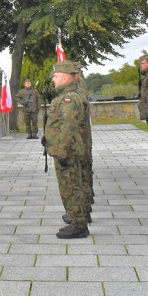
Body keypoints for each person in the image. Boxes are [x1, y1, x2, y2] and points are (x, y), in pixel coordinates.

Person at [42, 60, 91, 239]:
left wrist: (62, 152)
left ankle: (79, 225)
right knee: (68, 186)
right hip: (62, 149)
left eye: (55, 76)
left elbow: (68, 127)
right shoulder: (64, 97)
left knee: (70, 187)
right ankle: (75, 218)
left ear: (64, 77)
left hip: (67, 152)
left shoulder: (69, 98)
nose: (53, 79)